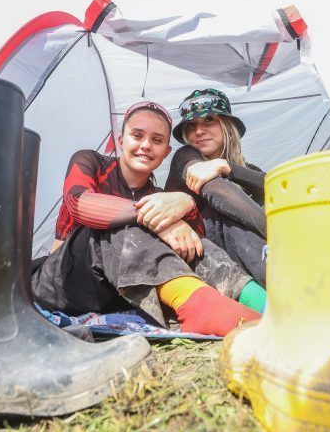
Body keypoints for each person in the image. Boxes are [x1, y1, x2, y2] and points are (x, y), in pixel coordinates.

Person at [31, 101, 265, 336]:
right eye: (137, 136)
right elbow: (78, 203)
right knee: (118, 226)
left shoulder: (158, 197)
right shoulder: (90, 162)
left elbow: (192, 244)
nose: (145, 145)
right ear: (121, 140)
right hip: (61, 284)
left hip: (117, 293)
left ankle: (260, 302)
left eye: (157, 140)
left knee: (189, 240)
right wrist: (154, 219)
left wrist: (186, 202)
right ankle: (200, 307)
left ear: (166, 152)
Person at [165, 89, 267, 287]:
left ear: (227, 125)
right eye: (191, 125)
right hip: (202, 263)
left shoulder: (246, 170)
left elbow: (281, 187)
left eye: (209, 120)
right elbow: (218, 191)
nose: (198, 131)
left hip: (249, 257)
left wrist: (228, 167)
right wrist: (278, 233)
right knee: (220, 213)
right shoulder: (185, 157)